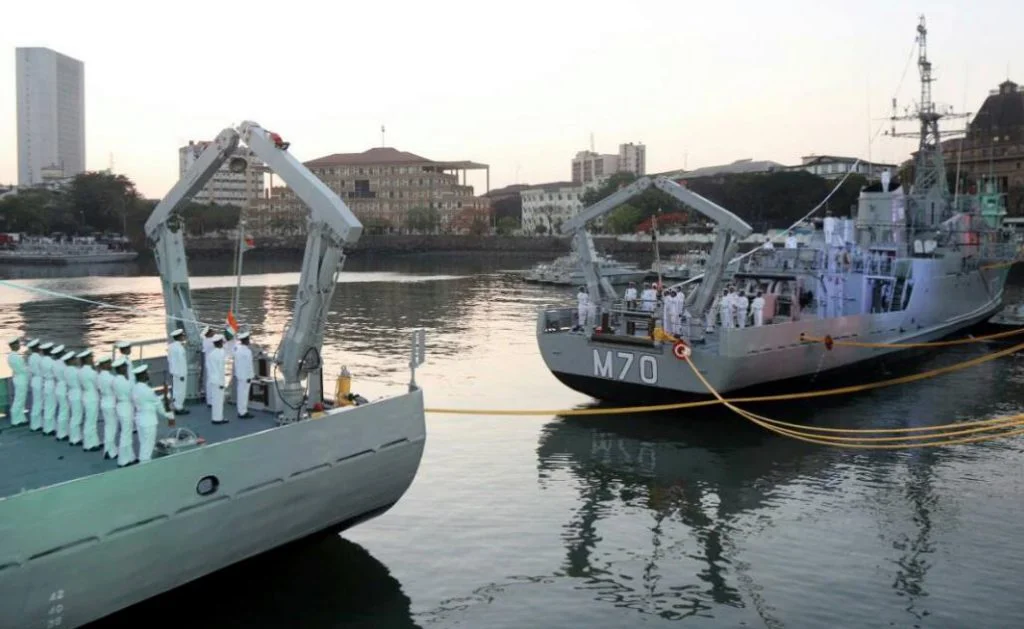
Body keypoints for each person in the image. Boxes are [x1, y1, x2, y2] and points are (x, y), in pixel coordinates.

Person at [131, 364, 172, 463]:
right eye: (146, 373)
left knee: (143, 444)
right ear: (142, 376)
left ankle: (142, 462)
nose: (148, 375)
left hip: (140, 419)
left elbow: (151, 400)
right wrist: (168, 415)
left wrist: (163, 396)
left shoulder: (135, 388)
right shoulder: (147, 390)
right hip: (149, 421)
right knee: (148, 446)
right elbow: (158, 405)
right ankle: (145, 466)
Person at [113, 358, 136, 466]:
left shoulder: (115, 379)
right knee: (126, 434)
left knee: (127, 432)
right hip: (126, 406)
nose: (127, 368)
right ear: (120, 368)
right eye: (125, 367)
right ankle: (123, 460)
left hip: (121, 405)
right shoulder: (124, 382)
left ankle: (130, 456)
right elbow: (132, 393)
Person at [78, 350, 101, 452]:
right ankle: (89, 444)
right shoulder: (92, 373)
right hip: (92, 397)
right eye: (91, 357)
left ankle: (93, 442)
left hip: (86, 395)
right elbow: (98, 385)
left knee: (89, 420)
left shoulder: (80, 371)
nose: (92, 359)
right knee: (91, 421)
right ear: (87, 359)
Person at [97, 356, 118, 460]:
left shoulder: (99, 376)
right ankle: (110, 451)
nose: (110, 365)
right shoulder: (111, 378)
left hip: (104, 402)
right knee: (112, 428)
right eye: (108, 363)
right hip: (111, 403)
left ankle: (109, 449)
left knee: (108, 427)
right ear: (104, 365)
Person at [6, 337, 28, 426]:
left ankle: (21, 418)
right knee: (19, 399)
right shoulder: (16, 357)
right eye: (18, 344)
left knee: (21, 399)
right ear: (13, 345)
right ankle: (15, 420)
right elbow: (23, 370)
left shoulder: (11, 356)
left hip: (17, 377)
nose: (19, 345)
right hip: (21, 378)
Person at [167, 329, 189, 415]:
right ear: (179, 337)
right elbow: (180, 362)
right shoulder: (179, 348)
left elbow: (171, 360)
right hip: (180, 373)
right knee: (181, 391)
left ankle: (176, 405)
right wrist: (181, 374)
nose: (183, 336)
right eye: (182, 335)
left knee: (176, 390)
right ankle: (179, 408)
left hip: (175, 372)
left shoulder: (171, 346)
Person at [233, 331, 255, 419]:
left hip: (239, 375)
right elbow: (249, 365)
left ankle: (240, 410)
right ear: (245, 340)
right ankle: (243, 412)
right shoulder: (247, 351)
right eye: (248, 339)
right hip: (245, 376)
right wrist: (251, 376)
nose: (249, 341)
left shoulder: (237, 349)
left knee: (240, 394)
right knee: (244, 394)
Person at [65, 352, 84, 445]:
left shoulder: (66, 370)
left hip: (71, 393)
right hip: (77, 394)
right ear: (71, 360)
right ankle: (75, 438)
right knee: (77, 416)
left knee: (74, 416)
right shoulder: (76, 371)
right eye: (74, 359)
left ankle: (74, 436)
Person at [208, 335, 227, 423]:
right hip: (219, 381)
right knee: (219, 401)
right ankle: (218, 419)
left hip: (212, 379)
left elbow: (209, 368)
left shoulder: (211, 354)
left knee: (215, 400)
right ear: (220, 342)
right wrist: (221, 383)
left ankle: (216, 417)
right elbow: (221, 369)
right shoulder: (221, 353)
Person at [52, 346, 70, 439]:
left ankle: (62, 431)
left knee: (62, 410)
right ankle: (62, 434)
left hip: (58, 386)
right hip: (64, 388)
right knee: (64, 411)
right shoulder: (64, 364)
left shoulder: (54, 363)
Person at [39, 342, 56, 434]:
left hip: (45, 383)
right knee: (51, 407)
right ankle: (49, 429)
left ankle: (47, 427)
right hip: (51, 383)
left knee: (47, 406)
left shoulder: (41, 361)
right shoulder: (52, 362)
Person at [27, 339, 44, 430]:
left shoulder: (30, 357)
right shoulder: (38, 358)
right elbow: (41, 371)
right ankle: (36, 425)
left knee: (36, 402)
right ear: (37, 347)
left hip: (34, 380)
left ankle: (36, 423)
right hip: (39, 380)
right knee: (39, 403)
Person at [202, 327, 215, 406]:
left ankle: (210, 400)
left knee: (209, 381)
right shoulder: (210, 342)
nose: (214, 333)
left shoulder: (205, 340)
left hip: (210, 363)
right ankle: (211, 400)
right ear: (209, 333)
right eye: (213, 331)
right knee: (211, 382)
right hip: (213, 364)